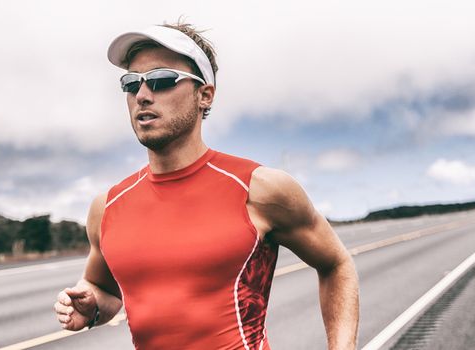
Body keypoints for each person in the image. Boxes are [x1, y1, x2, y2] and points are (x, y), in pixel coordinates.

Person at [54, 21, 359, 350]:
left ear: (205, 95)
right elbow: (107, 292)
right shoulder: (108, 207)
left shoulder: (259, 190)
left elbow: (336, 264)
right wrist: (91, 305)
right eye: (131, 84)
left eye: (161, 80)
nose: (142, 95)